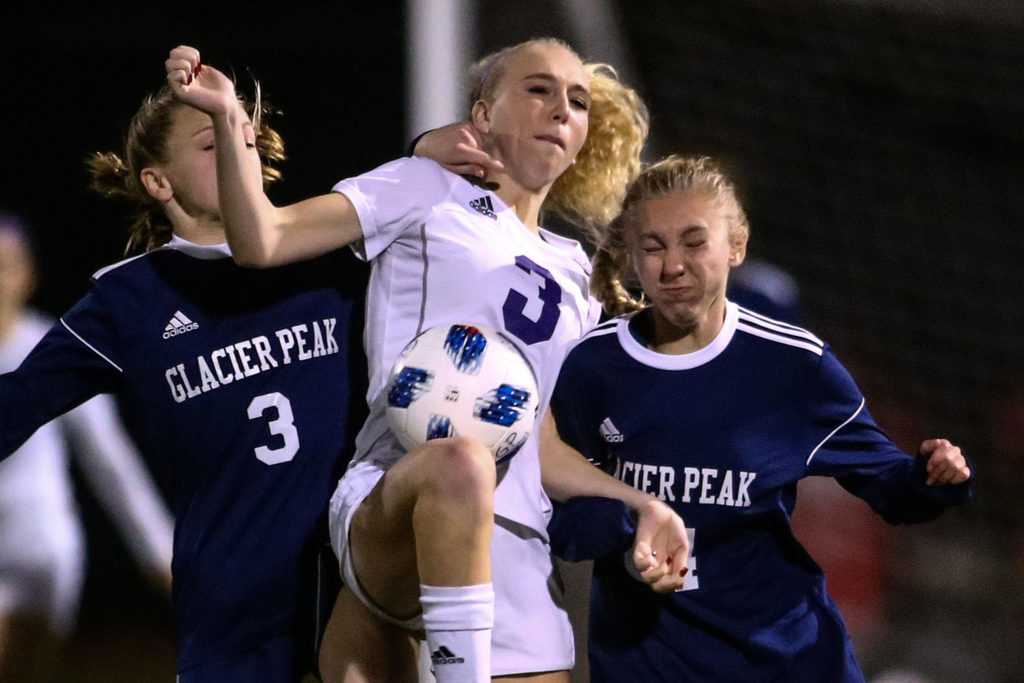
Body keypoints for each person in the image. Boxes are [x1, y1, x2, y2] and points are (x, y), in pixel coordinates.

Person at [165, 38, 689, 683]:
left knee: (476, 465)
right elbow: (264, 241)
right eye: (538, 89)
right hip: (401, 498)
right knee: (461, 459)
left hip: (518, 547)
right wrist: (223, 116)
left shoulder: (577, 275)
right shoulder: (424, 187)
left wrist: (642, 503)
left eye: (577, 101)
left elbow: (540, 441)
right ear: (483, 113)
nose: (560, 109)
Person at [547, 154, 973, 681]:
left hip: (786, 660)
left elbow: (891, 489)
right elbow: (564, 524)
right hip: (649, 662)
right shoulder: (595, 366)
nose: (672, 265)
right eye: (653, 247)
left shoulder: (794, 365)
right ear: (631, 258)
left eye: (694, 242)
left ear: (737, 247)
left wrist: (931, 477)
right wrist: (629, 524)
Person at [0, 81, 368, 681]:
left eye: (244, 137)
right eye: (212, 141)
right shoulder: (130, 298)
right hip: (230, 606)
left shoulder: (329, 256)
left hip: (350, 582)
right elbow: (14, 404)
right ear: (158, 182)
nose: (236, 148)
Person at [0, 212, 173, 682]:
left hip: (37, 549)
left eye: (5, 267)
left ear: (27, 276)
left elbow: (110, 461)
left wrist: (160, 553)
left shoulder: (51, 349)